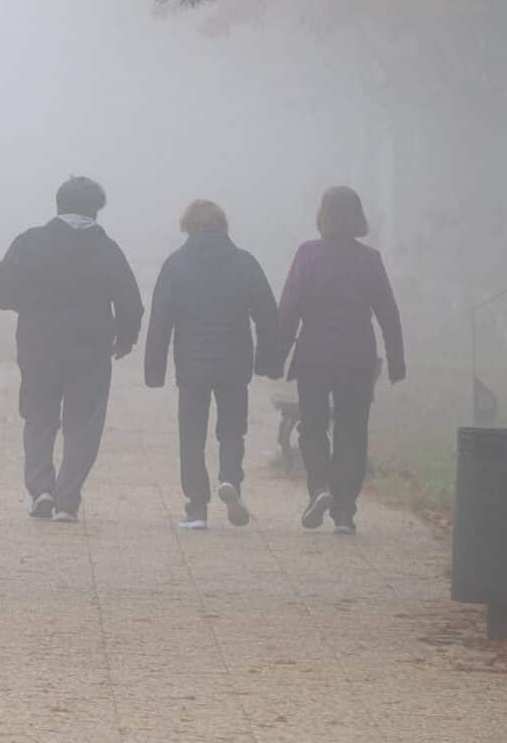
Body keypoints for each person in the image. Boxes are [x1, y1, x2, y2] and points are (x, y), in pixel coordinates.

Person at [0, 176, 143, 523]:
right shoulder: (107, 249)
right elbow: (131, 301)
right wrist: (125, 337)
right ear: (96, 210)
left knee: (39, 417)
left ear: (58, 204)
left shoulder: (31, 242)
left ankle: (41, 489)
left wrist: (27, 306)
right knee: (83, 423)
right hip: (90, 350)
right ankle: (67, 499)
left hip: (38, 344)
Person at [265, 186, 405, 533]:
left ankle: (320, 489)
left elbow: (289, 310)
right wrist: (397, 361)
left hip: (314, 355)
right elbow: (388, 312)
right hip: (357, 357)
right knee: (352, 432)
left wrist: (275, 358)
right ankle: (344, 512)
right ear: (358, 218)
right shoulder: (369, 260)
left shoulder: (308, 255)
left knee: (312, 427)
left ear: (322, 216)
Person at [144, 201, 281, 530]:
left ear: (188, 225)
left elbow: (161, 319)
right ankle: (230, 479)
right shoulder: (245, 263)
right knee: (233, 429)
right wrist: (268, 361)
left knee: (191, 434)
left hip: (192, 365)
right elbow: (267, 315)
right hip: (234, 364)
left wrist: (154, 370)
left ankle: (197, 507)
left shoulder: (175, 265)